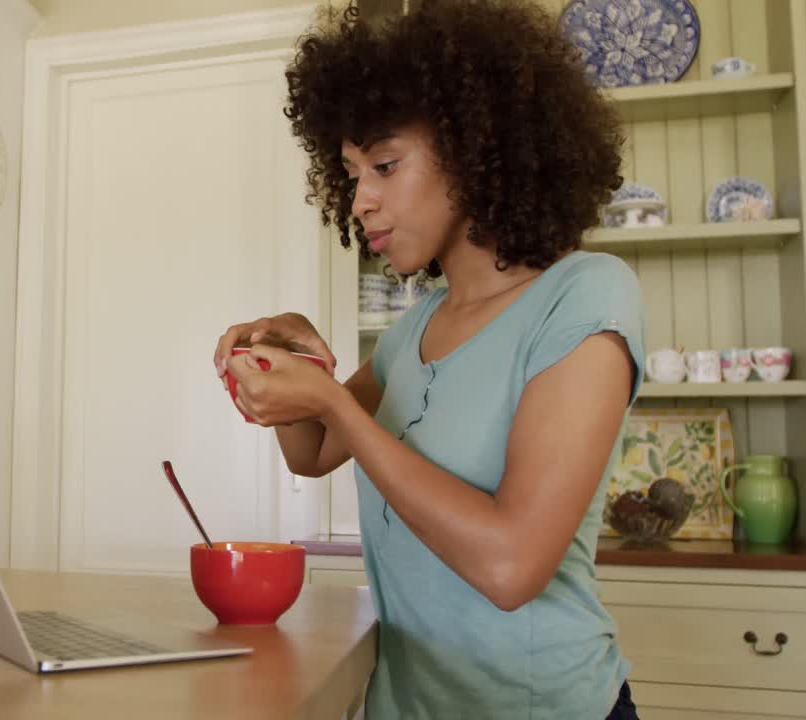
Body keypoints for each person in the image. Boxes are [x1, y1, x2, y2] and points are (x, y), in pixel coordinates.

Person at [213, 2, 644, 718]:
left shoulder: (585, 295)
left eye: (385, 165)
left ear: (479, 147)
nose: (361, 200)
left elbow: (511, 566)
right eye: (351, 172)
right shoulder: (411, 331)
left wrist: (332, 402)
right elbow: (313, 448)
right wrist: (288, 362)